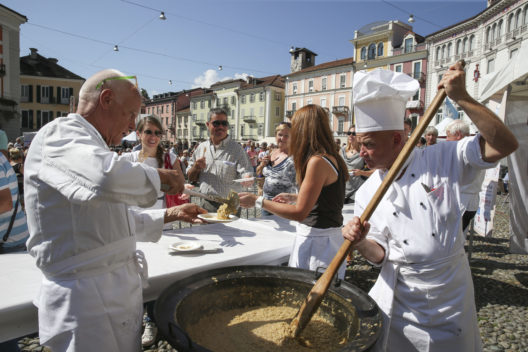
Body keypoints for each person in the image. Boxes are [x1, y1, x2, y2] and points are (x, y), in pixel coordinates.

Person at [24, 69, 206, 351]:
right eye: (131, 114)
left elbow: (110, 218)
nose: (132, 125)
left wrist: (169, 214)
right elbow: (104, 179)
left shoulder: (94, 144)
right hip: (86, 301)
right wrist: (160, 178)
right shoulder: (58, 135)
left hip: (110, 291)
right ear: (106, 99)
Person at [342, 64, 518, 351]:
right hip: (402, 301)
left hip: (449, 295)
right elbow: (380, 255)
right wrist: (361, 242)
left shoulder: (443, 158)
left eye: (369, 144)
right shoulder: (368, 192)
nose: (361, 154)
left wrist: (462, 97)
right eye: (359, 144)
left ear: (397, 139)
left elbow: (505, 144)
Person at [239, 105, 349, 278]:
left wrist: (258, 201)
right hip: (326, 239)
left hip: (318, 244)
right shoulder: (331, 157)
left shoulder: (317, 161)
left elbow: (299, 213)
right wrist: (295, 196)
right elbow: (328, 197)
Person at [187, 107, 253, 212]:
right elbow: (190, 177)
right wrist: (196, 167)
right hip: (206, 203)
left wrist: (247, 177)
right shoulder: (201, 148)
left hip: (229, 205)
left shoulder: (237, 149)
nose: (221, 127)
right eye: (216, 123)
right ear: (208, 125)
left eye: (224, 123)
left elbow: (246, 171)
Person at [445, 119, 482, 231]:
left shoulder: (466, 148)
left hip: (462, 200)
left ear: (458, 135)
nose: (446, 139)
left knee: (452, 238)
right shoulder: (474, 147)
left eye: (448, 136)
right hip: (468, 200)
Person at [255, 122, 296, 216]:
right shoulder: (271, 152)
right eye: (280, 135)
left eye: (286, 136)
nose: (282, 138)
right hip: (265, 203)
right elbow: (258, 173)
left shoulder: (294, 158)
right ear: (275, 136)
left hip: (284, 205)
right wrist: (262, 165)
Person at [341, 125, 372, 204]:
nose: (351, 135)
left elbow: (375, 171)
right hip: (343, 190)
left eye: (354, 133)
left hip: (357, 191)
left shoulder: (363, 151)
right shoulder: (342, 150)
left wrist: (361, 172)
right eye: (349, 133)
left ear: (359, 136)